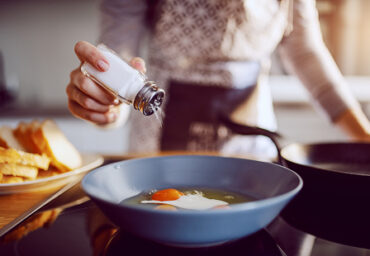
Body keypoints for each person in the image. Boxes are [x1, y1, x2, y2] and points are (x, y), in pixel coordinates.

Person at [66, 0, 370, 159]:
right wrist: (107, 103)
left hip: (252, 153)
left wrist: (363, 137)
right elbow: (119, 51)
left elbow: (304, 51)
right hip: (157, 148)